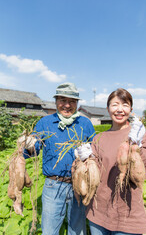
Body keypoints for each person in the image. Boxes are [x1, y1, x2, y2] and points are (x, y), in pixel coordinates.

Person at [20, 82, 95, 235]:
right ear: (55, 102)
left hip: (79, 183)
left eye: (72, 101)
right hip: (53, 185)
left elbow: (95, 154)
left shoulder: (85, 123)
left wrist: (89, 154)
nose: (67, 105)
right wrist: (28, 145)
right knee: (49, 231)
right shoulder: (45, 123)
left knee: (77, 229)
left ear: (77, 103)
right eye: (62, 100)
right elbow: (32, 152)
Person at [84, 88, 146, 235]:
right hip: (98, 211)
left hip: (127, 213)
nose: (120, 109)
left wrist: (137, 147)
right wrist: (83, 160)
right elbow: (93, 173)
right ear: (108, 109)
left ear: (131, 109)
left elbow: (144, 173)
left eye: (125, 105)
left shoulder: (140, 135)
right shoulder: (99, 137)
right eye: (115, 105)